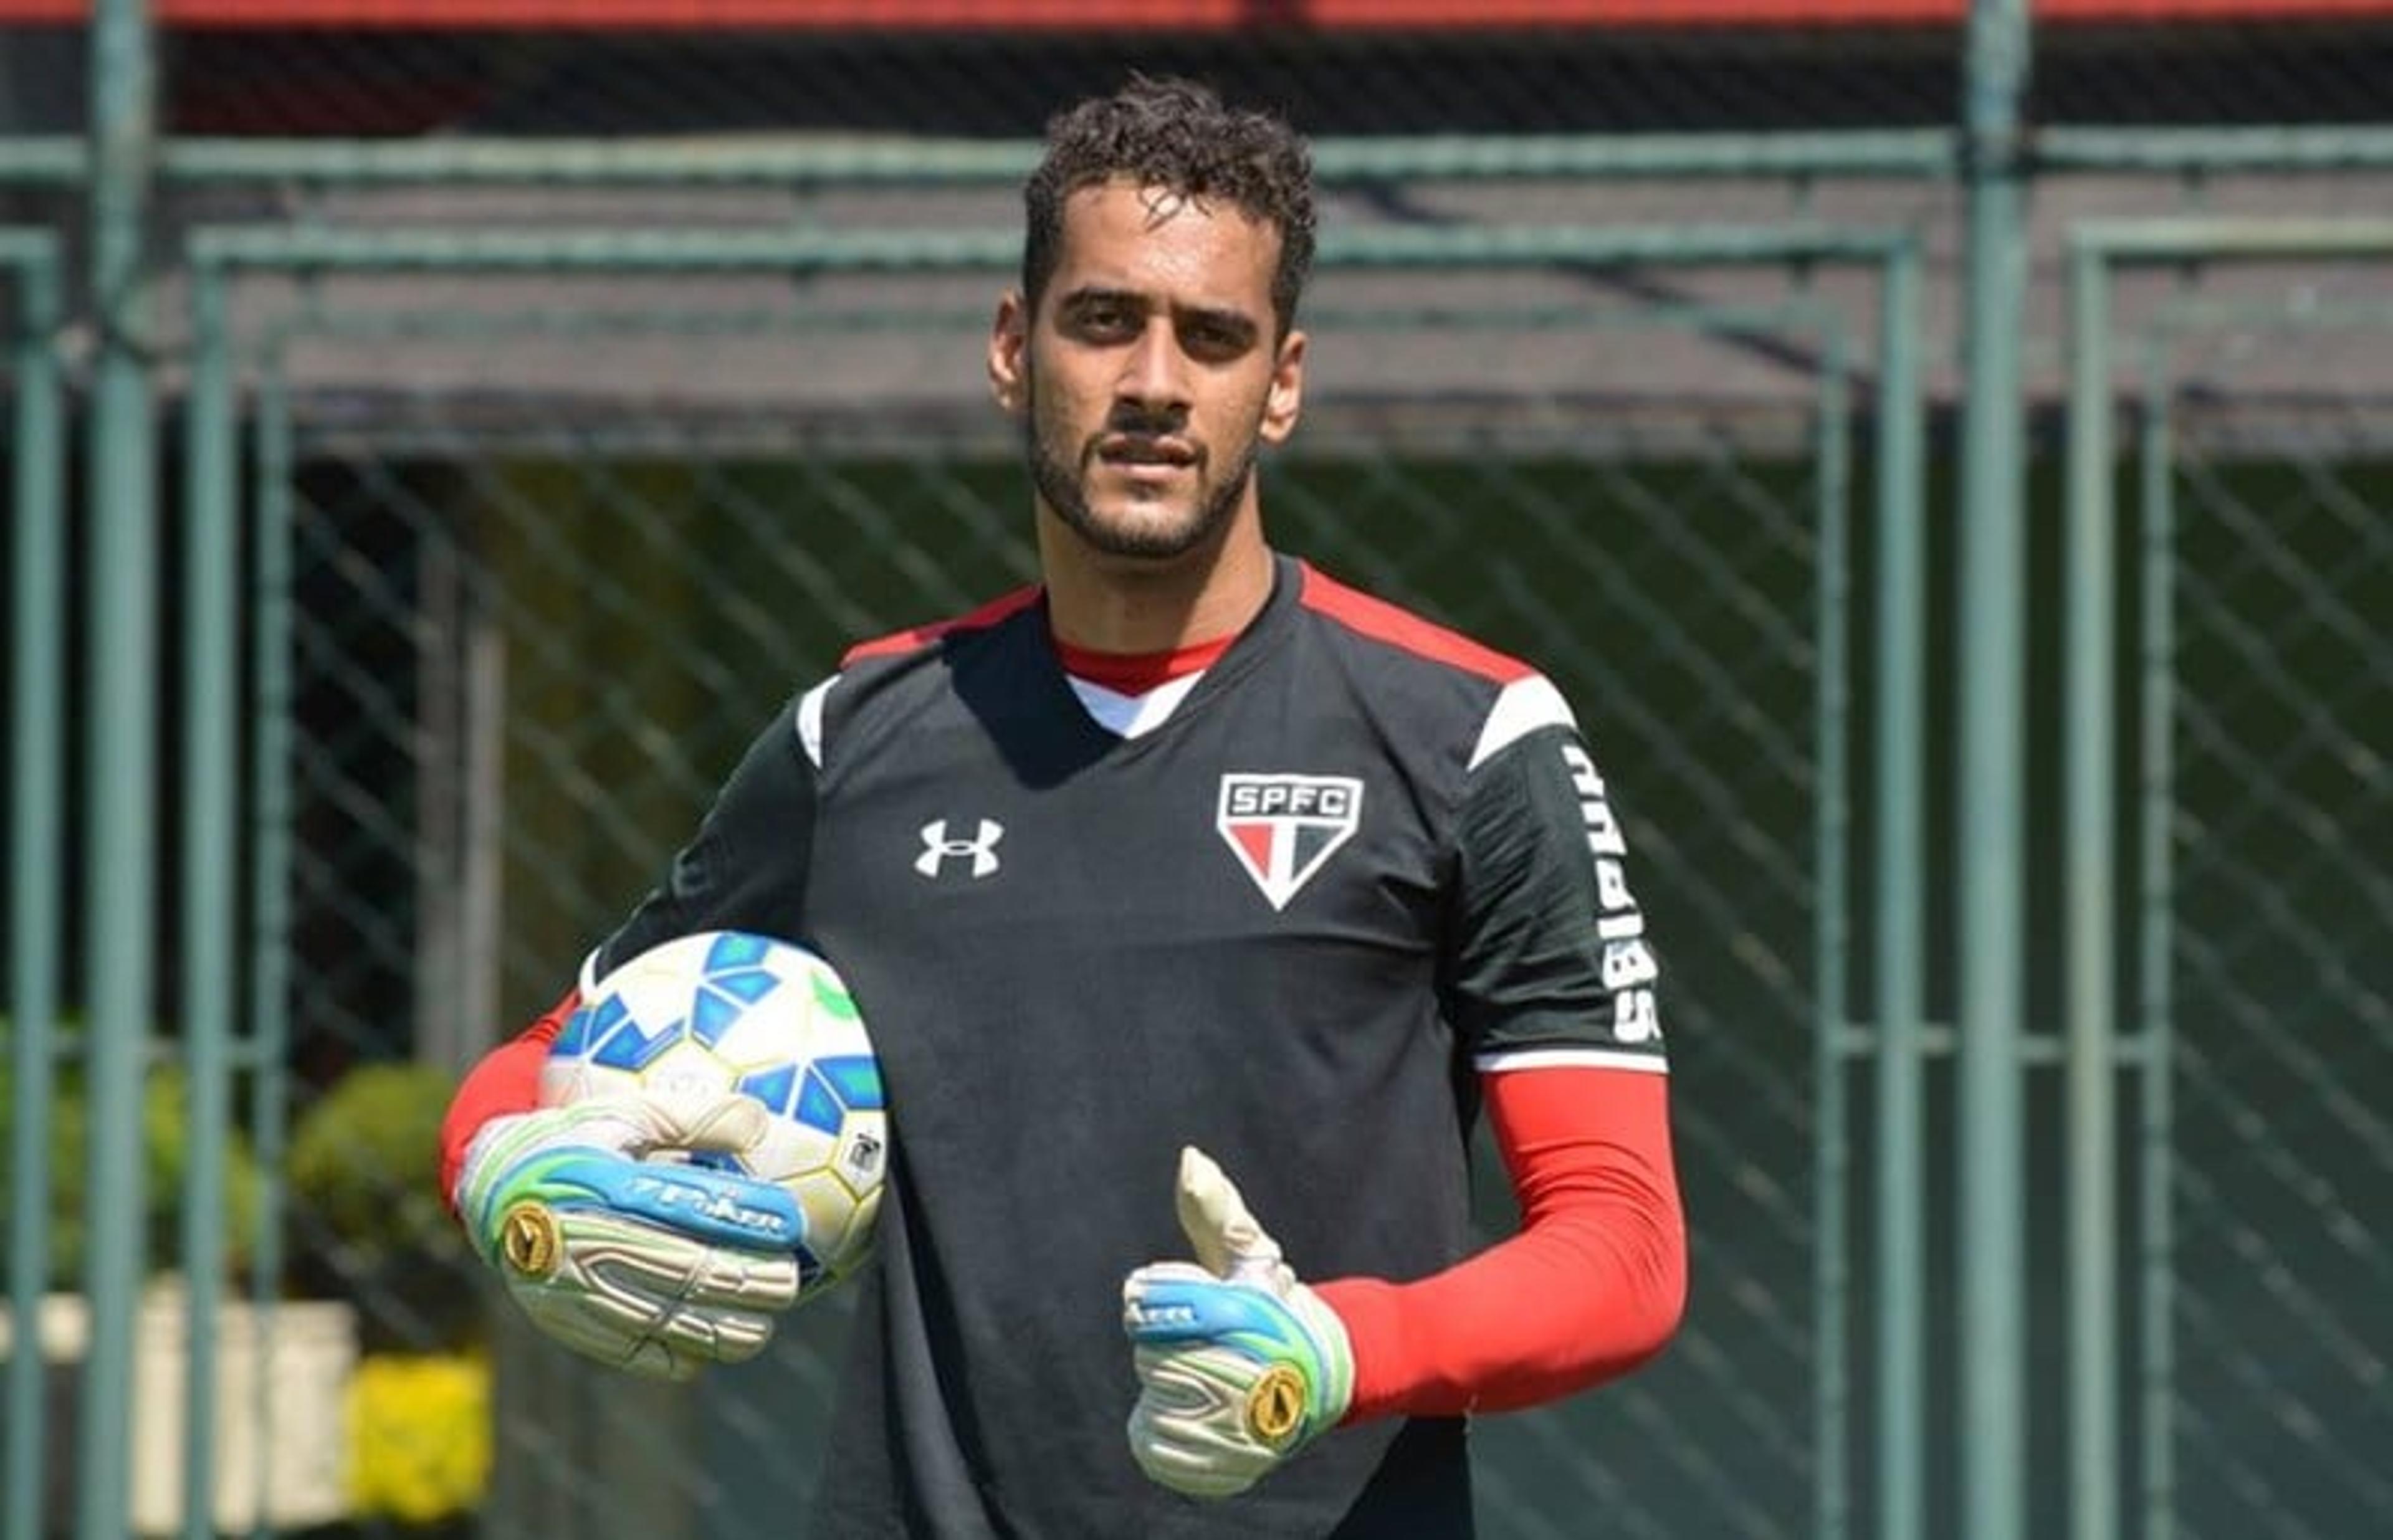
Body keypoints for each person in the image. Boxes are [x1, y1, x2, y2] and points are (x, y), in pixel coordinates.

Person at [439, 74, 1686, 1539]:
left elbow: (1623, 1241)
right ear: (1015, 347)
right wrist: (507, 1171)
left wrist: (1334, 1354)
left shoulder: (1472, 737)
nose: (1156, 381)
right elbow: (542, 1057)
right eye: (1106, 322)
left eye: (1212, 337)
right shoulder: (856, 741)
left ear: (1281, 383)